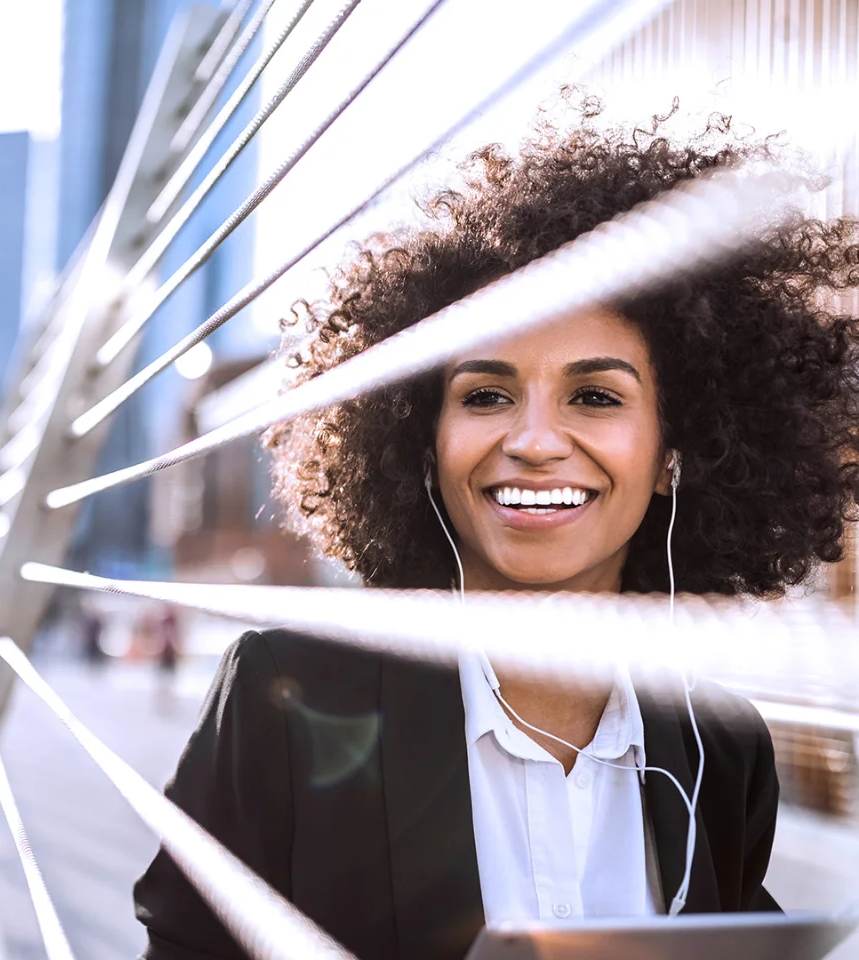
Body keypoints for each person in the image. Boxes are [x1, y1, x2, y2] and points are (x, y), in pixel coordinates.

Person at [134, 94, 859, 960]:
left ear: (677, 447)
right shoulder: (288, 693)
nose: (534, 441)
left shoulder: (721, 746)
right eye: (486, 395)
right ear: (422, 440)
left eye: (594, 396)